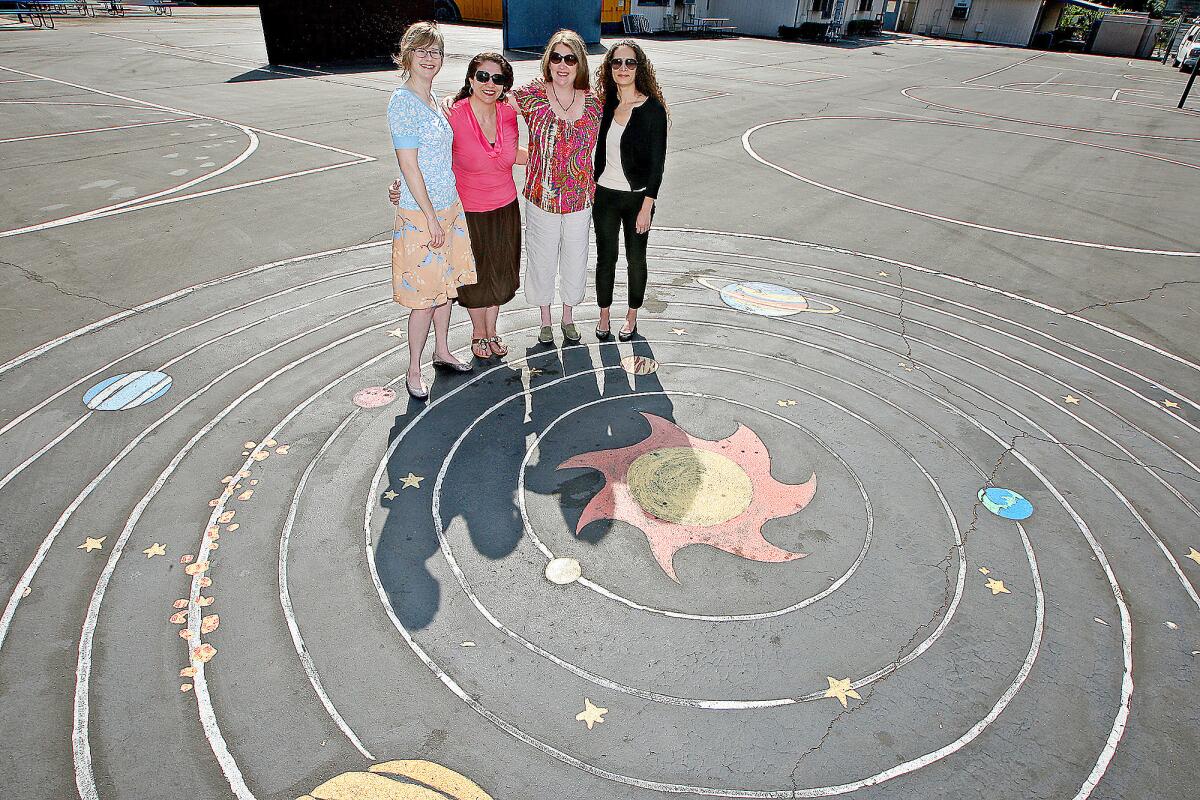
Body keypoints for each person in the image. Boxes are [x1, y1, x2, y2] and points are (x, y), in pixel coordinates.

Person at [395, 52, 526, 361]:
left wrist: (547, 159)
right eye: (483, 76)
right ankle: (478, 333)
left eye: (498, 79)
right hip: (468, 212)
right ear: (470, 79)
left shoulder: (508, 112)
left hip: (506, 207)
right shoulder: (452, 113)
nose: (489, 84)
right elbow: (426, 155)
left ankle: (492, 330)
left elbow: (510, 152)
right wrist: (400, 181)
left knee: (501, 275)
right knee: (476, 278)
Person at [387, 21, 476, 401]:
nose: (429, 57)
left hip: (448, 207)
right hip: (424, 217)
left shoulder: (434, 100)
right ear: (407, 55)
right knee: (424, 298)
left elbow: (430, 158)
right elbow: (409, 165)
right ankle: (413, 368)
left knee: (445, 291)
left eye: (435, 51)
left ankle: (441, 350)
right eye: (421, 50)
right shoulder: (402, 102)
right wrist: (429, 216)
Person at [510, 29, 603, 345]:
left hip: (580, 199)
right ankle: (545, 320)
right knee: (541, 257)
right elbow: (487, 103)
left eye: (570, 58)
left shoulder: (594, 102)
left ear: (580, 64)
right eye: (556, 57)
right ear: (547, 61)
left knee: (576, 259)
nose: (562, 65)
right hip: (541, 197)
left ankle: (568, 317)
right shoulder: (530, 95)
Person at [592, 40, 668, 342]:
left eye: (630, 63)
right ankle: (604, 314)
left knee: (636, 259)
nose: (623, 68)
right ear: (610, 68)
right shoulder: (605, 104)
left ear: (640, 68)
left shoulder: (652, 110)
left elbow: (657, 164)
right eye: (617, 63)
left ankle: (632, 315)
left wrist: (647, 205)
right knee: (605, 258)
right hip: (605, 196)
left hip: (638, 198)